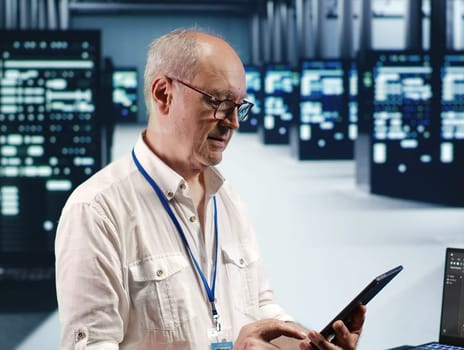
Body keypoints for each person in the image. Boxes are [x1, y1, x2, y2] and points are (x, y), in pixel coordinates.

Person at [55, 28, 366, 350]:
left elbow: (260, 307)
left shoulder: (226, 196)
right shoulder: (97, 210)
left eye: (239, 105)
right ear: (163, 94)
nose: (233, 122)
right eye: (219, 101)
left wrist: (308, 342)